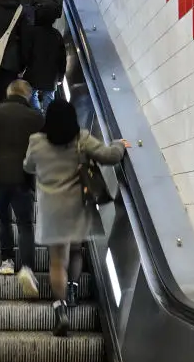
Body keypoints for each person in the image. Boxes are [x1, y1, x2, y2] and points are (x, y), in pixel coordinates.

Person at [23, 100, 130, 336]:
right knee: (76, 251)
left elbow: (28, 166)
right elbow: (109, 155)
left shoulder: (36, 142)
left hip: (52, 210)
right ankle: (73, 289)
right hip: (77, 207)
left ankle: (60, 309)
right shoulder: (81, 138)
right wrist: (119, 145)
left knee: (56, 262)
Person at [0, 79, 44, 295]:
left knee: (3, 218)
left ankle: (6, 261)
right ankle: (28, 269)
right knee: (25, 223)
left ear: (8, 92)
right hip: (23, 176)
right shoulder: (36, 118)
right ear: (28, 95)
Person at [23, 7, 66, 112]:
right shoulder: (57, 34)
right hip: (52, 74)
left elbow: (26, 51)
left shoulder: (32, 32)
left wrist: (23, 66)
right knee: (49, 98)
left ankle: (37, 116)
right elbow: (62, 58)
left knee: (31, 94)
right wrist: (61, 76)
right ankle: (48, 121)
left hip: (34, 71)